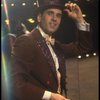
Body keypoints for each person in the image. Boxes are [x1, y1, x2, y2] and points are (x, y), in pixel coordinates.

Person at [10, 0, 92, 100]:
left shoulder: (55, 45)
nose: (54, 19)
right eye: (50, 13)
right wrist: (50, 96)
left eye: (58, 15)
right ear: (39, 17)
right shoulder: (26, 41)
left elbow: (83, 48)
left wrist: (79, 20)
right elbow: (15, 85)